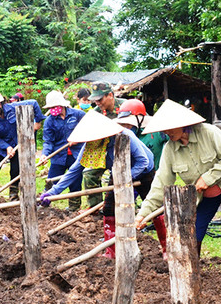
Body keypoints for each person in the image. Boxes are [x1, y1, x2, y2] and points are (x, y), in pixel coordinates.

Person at [134, 100, 221, 269]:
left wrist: (207, 178)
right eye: (163, 129)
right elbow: (160, 183)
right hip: (206, 195)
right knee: (193, 234)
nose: (166, 132)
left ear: (183, 124)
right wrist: (143, 214)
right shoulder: (169, 149)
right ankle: (191, 272)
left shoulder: (209, 133)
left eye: (170, 127)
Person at [40, 111, 165, 259]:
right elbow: (75, 169)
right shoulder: (92, 145)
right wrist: (53, 192)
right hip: (118, 173)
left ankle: (166, 248)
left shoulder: (125, 136)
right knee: (109, 210)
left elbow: (143, 161)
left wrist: (126, 178)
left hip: (144, 172)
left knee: (155, 209)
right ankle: (111, 252)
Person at [0, 90, 44, 199]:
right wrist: (7, 147)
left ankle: (13, 194)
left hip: (18, 144)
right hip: (1, 146)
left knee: (15, 170)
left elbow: (33, 103)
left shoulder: (13, 108)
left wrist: (37, 121)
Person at [82, 82, 127, 208]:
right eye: (94, 100)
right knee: (89, 173)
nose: (97, 103)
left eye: (100, 99)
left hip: (127, 152)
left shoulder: (125, 106)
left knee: (117, 179)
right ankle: (94, 207)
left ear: (110, 95)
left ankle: (121, 207)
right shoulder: (96, 113)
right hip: (105, 152)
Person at [41, 91, 86, 211]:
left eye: (54, 107)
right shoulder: (49, 121)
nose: (52, 109)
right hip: (59, 156)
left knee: (75, 182)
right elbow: (48, 141)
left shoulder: (78, 115)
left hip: (76, 155)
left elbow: (88, 129)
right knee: (52, 180)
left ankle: (74, 208)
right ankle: (44, 204)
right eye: (51, 107)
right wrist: (45, 154)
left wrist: (78, 139)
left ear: (62, 105)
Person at [116, 99, 168, 168]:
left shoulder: (156, 131)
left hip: (157, 174)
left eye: (128, 123)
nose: (126, 127)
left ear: (139, 120)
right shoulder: (121, 137)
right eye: (123, 124)